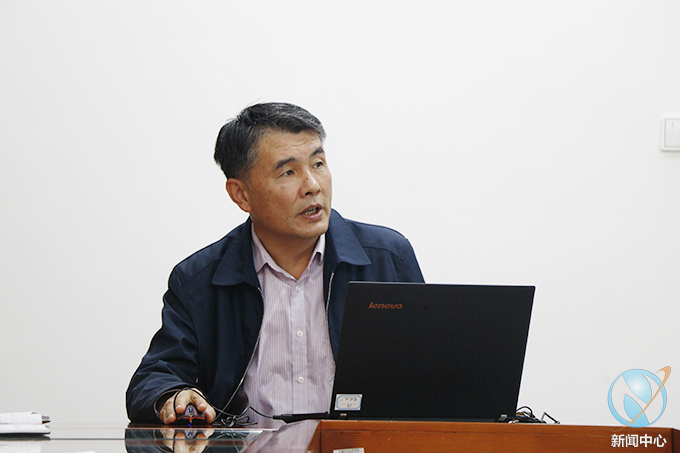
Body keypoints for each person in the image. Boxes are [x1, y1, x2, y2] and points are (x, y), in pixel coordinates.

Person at [126, 103, 424, 424]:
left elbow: (431, 371)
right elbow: (155, 376)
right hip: (246, 446)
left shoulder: (387, 259)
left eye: (318, 164)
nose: (312, 185)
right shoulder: (198, 281)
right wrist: (174, 395)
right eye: (288, 172)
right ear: (241, 195)